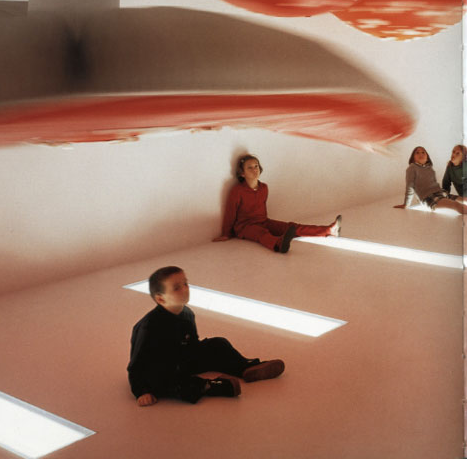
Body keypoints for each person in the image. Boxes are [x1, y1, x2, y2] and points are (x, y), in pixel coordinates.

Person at [128, 266, 285, 405]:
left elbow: (193, 344)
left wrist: (206, 354)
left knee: (218, 344)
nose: (185, 289)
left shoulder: (187, 313)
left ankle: (245, 367)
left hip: (182, 359)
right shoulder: (150, 327)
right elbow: (136, 366)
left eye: (185, 283)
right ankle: (211, 385)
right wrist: (141, 392)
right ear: (160, 298)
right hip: (162, 369)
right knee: (169, 381)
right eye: (177, 288)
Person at [212, 154, 340, 253]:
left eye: (256, 166)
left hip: (263, 221)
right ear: (242, 173)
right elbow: (230, 213)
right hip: (245, 227)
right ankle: (278, 244)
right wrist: (226, 234)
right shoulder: (237, 191)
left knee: (292, 226)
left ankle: (328, 230)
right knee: (262, 234)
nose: (254, 170)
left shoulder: (264, 188)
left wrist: (269, 225)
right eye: (249, 168)